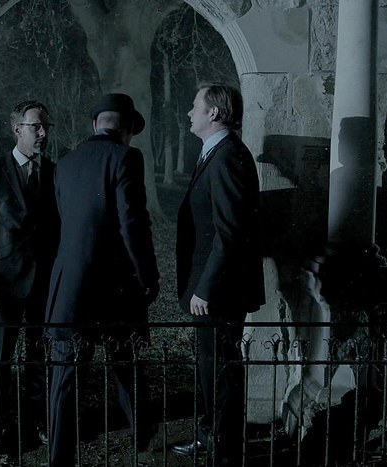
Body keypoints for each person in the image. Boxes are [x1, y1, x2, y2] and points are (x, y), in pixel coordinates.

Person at [45, 93, 160, 467]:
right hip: (114, 284)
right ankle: (142, 440)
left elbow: (64, 221)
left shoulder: (66, 162)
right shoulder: (126, 157)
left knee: (65, 375)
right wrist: (147, 276)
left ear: (96, 124)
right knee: (125, 361)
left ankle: (59, 456)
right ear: (126, 129)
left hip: (71, 284)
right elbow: (133, 224)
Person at [169, 83, 265, 466]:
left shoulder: (226, 157)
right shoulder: (217, 152)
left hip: (219, 291)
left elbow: (229, 232)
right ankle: (212, 436)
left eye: (195, 106)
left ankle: (225, 452)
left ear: (213, 113)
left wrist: (205, 287)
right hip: (214, 287)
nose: (189, 113)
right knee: (212, 366)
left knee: (221, 369)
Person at [0, 100, 59, 450]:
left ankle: (38, 422)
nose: (43, 133)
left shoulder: (54, 172)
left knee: (39, 358)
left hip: (44, 283)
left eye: (46, 126)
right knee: (0, 361)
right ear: (17, 129)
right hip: (3, 285)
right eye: (36, 126)